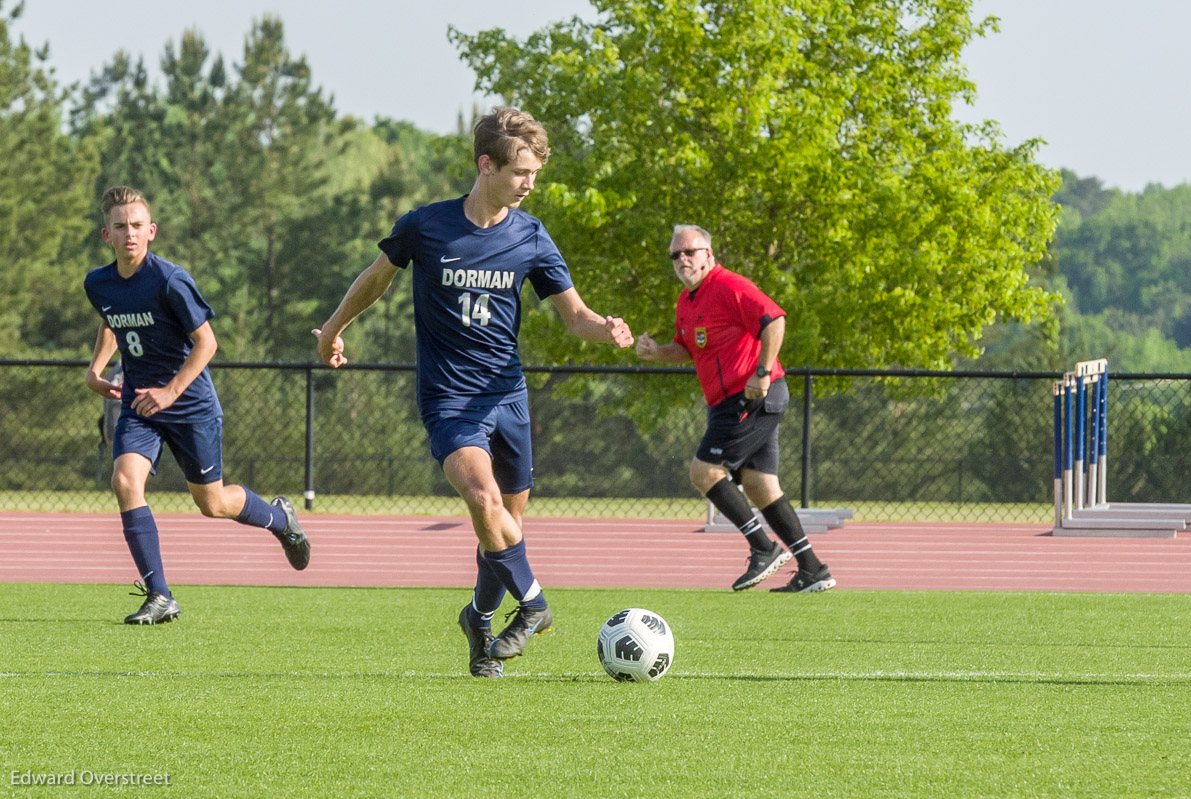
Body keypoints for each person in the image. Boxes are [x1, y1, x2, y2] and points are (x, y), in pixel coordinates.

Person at [314, 108, 633, 677]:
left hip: (507, 397)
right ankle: (534, 605)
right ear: (486, 165)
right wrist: (335, 329)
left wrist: (605, 328)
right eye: (521, 172)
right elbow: (374, 280)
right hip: (449, 401)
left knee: (503, 531)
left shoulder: (531, 235)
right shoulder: (426, 226)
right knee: (485, 503)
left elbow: (575, 316)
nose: (531, 183)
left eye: (535, 172)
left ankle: (479, 620)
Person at [84, 186, 311, 625]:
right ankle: (160, 594)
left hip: (189, 405)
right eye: (119, 227)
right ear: (105, 235)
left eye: (136, 226)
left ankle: (280, 519)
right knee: (125, 481)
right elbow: (111, 320)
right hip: (139, 403)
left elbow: (207, 343)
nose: (128, 233)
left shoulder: (169, 279)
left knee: (212, 504)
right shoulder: (99, 282)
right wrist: (96, 369)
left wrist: (170, 392)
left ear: (151, 231)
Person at [635, 224, 836, 594]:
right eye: (675, 255)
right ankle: (812, 568)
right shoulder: (687, 301)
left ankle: (763, 547)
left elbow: (774, 319)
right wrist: (655, 352)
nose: (682, 259)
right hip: (728, 402)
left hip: (752, 396)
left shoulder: (729, 285)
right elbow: (687, 349)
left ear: (708, 255)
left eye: (690, 252)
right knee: (760, 486)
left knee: (703, 472)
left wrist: (761, 372)